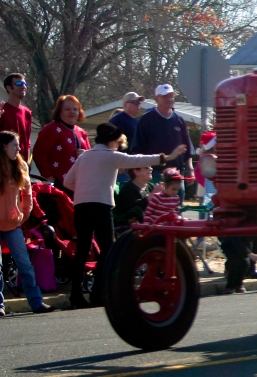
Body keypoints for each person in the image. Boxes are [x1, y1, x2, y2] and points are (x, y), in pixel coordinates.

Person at [63, 123, 185, 309]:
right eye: (118, 142)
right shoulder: (112, 156)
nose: (119, 146)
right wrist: (167, 157)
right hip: (101, 206)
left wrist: (85, 189)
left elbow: (68, 181)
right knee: (108, 251)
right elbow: (137, 160)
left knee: (82, 250)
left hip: (81, 206)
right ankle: (98, 294)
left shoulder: (85, 156)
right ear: (112, 141)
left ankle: (76, 296)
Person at [0, 131, 54, 316]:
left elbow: (27, 192)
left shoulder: (19, 165)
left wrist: (24, 213)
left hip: (13, 224)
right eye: (14, 145)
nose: (18, 148)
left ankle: (36, 303)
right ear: (3, 147)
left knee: (25, 264)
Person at [132, 84, 195, 182]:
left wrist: (190, 169)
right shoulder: (146, 120)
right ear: (156, 98)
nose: (169, 99)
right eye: (165, 96)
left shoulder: (179, 120)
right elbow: (138, 148)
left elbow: (187, 148)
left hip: (177, 174)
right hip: (154, 174)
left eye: (171, 96)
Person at [32, 95, 91, 194]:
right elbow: (39, 154)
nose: (72, 112)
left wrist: (86, 154)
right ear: (60, 111)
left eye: (75, 109)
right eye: (67, 109)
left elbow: (91, 156)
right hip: (59, 185)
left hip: (80, 186)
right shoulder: (51, 129)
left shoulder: (81, 132)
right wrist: (50, 178)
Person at [0, 73, 33, 164]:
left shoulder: (27, 112)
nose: (23, 86)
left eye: (25, 84)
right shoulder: (1, 111)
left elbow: (27, 141)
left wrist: (26, 163)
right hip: (5, 164)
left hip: (22, 164)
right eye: (19, 84)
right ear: (8, 88)